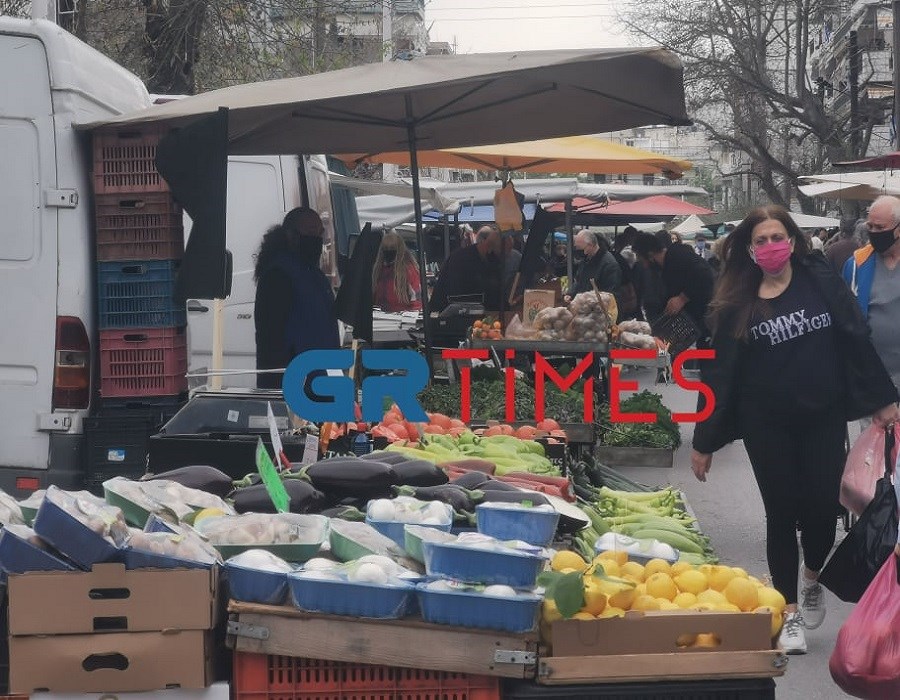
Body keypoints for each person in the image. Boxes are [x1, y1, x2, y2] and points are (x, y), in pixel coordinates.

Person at [690, 205, 900, 655]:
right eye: (761, 240)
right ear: (749, 249)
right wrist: (704, 441)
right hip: (767, 425)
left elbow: (854, 335)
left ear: (792, 241)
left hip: (822, 416)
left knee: (824, 512)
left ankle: (811, 577)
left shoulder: (818, 280)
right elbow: (720, 374)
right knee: (781, 514)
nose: (770, 246)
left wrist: (881, 398)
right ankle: (787, 612)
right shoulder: (738, 301)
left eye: (776, 237)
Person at [253, 207, 340, 390]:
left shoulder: (313, 273)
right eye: (310, 232)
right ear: (291, 235)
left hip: (321, 377)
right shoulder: (278, 275)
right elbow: (272, 339)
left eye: (320, 233)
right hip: (296, 382)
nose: (316, 239)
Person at [842, 195, 900, 393]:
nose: (873, 233)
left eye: (880, 227)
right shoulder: (855, 265)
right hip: (873, 381)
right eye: (870, 227)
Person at [631, 231, 714, 339]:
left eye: (643, 261)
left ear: (650, 255)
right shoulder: (665, 268)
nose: (645, 266)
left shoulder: (678, 255)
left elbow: (705, 275)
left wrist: (682, 298)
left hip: (705, 321)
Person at [430, 224, 503, 312]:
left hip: (471, 311)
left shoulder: (488, 259)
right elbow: (458, 295)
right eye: (501, 252)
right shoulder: (461, 260)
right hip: (450, 313)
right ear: (488, 245)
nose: (504, 257)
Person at [372, 230, 422, 313]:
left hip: (403, 317)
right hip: (380, 315)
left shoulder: (409, 270)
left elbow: (417, 300)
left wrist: (411, 316)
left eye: (392, 248)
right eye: (385, 248)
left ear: (399, 249)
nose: (388, 251)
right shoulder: (378, 270)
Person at [565, 229, 621, 300]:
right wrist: (570, 294)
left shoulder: (609, 265)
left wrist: (587, 299)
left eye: (580, 248)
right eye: (576, 247)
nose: (578, 251)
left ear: (590, 245)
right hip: (582, 303)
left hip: (597, 305)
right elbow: (578, 281)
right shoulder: (585, 260)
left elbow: (610, 295)